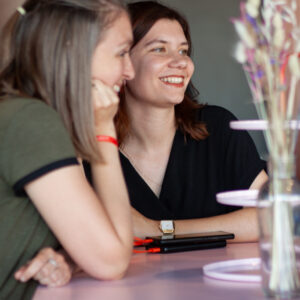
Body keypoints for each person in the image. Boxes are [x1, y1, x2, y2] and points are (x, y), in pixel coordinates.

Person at [0, 0, 135, 299]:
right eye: (122, 52)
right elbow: (111, 259)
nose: (130, 71)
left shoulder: (33, 115)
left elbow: (96, 242)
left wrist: (70, 258)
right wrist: (104, 131)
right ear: (75, 50)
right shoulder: (31, 121)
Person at [111, 1, 268, 241]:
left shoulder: (217, 128)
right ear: (123, 61)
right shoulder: (94, 150)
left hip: (220, 278)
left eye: (183, 51)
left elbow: (270, 219)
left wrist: (157, 230)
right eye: (159, 49)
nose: (181, 62)